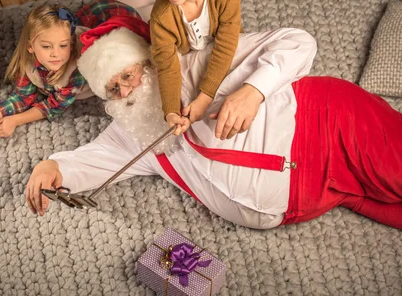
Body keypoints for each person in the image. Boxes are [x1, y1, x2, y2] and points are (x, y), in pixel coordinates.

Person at [25, 22, 402, 230]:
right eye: (114, 88)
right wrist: (52, 167)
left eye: (128, 74)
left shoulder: (198, 65)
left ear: (149, 64)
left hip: (328, 125)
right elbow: (92, 160)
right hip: (314, 196)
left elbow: (297, 41)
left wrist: (253, 91)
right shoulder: (134, 131)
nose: (127, 89)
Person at [0, 0, 143, 144]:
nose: (56, 53)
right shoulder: (29, 61)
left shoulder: (77, 70)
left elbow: (53, 106)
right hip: (86, 22)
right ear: (30, 47)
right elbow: (23, 94)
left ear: (71, 42)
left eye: (63, 45)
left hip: (112, 16)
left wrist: (15, 121)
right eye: (47, 46)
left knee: (137, 30)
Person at [131, 0, 245, 137]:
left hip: (227, 50)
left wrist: (205, 97)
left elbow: (226, 47)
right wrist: (171, 112)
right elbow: (168, 65)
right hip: (191, 57)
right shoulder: (161, 17)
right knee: (168, 95)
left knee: (234, 94)